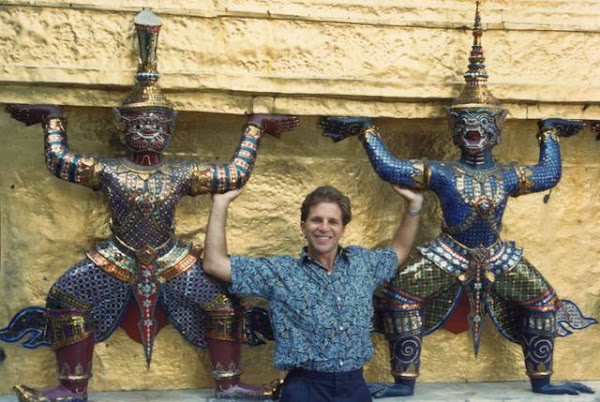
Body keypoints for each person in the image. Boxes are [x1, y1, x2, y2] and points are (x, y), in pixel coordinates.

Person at [0, 10, 298, 402]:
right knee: (65, 297)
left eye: (156, 126)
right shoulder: (108, 169)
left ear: (169, 130)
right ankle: (72, 387)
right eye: (139, 125)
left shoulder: (181, 172)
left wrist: (255, 128)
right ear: (123, 128)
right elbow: (59, 161)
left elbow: (234, 174)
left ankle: (229, 383)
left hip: (171, 257)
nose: (147, 132)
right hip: (117, 256)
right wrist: (52, 120)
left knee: (223, 303)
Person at [319, 2, 596, 398]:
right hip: (448, 253)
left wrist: (548, 133)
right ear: (455, 131)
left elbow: (549, 175)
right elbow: (391, 168)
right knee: (400, 296)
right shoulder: (444, 172)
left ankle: (542, 380)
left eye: (481, 125)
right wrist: (367, 132)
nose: (473, 131)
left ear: (495, 132)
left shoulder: (507, 175)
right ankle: (403, 382)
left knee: (543, 300)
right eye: (465, 125)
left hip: (496, 254)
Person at [203, 185, 423, 401]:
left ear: (343, 229)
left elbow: (399, 250)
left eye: (333, 221)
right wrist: (221, 203)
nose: (324, 228)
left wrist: (414, 205)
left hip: (355, 388)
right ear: (303, 226)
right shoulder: (280, 272)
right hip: (304, 389)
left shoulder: (363, 264)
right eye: (316, 220)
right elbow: (214, 263)